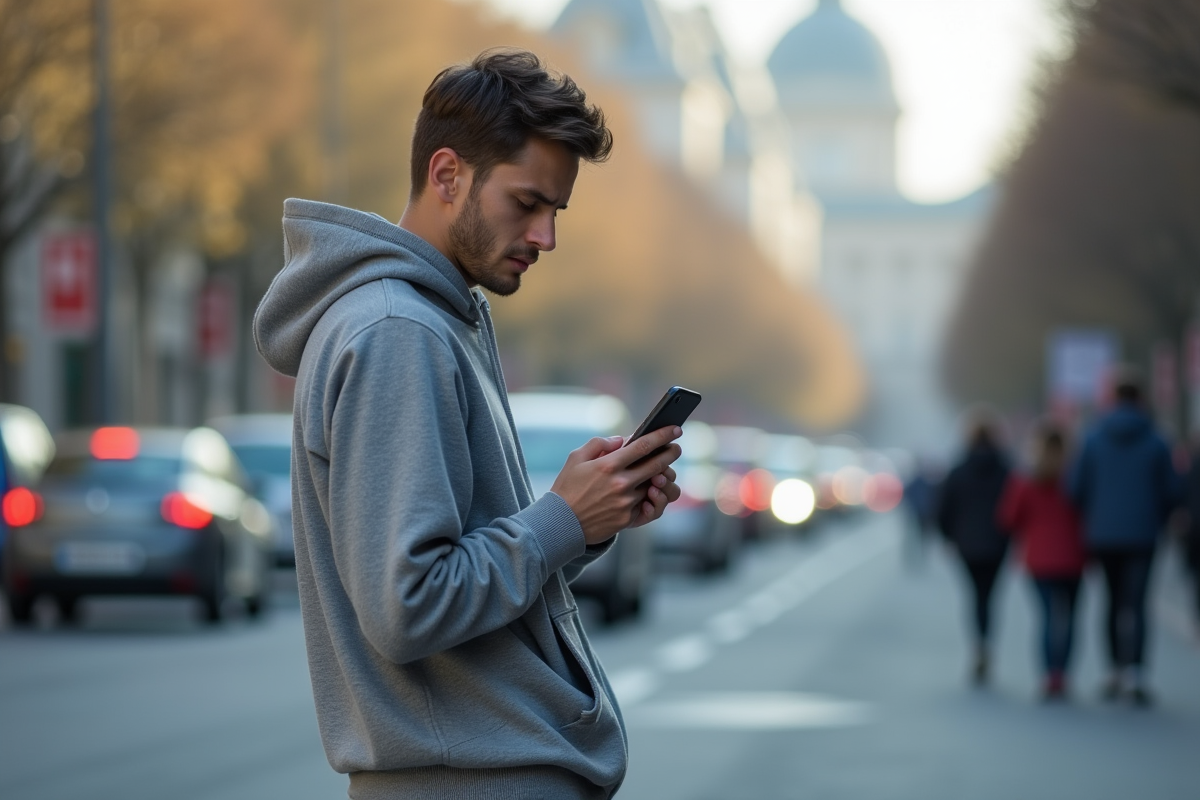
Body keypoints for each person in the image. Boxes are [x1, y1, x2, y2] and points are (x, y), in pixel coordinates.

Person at [254, 49, 683, 798]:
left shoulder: (438, 318)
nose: (545, 236)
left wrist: (585, 520)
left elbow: (460, 581)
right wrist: (558, 520)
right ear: (447, 175)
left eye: (555, 210)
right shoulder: (398, 331)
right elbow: (410, 603)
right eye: (526, 203)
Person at [1069, 371, 1179, 706]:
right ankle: (1137, 673)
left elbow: (1075, 488)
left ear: (1112, 398)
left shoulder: (1092, 438)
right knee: (1139, 603)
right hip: (1143, 532)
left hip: (1103, 533)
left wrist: (1096, 514)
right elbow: (1172, 489)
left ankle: (1114, 670)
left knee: (1112, 602)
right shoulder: (1158, 439)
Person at [998, 423, 1086, 700]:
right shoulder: (1075, 477)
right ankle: (1064, 673)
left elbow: (1008, 518)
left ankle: (1050, 674)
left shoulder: (1025, 479)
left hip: (1039, 558)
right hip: (1074, 556)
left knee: (1047, 617)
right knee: (1070, 617)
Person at [937, 413, 1011, 685]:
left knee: (974, 596)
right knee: (989, 596)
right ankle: (986, 643)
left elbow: (944, 508)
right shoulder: (1005, 469)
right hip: (997, 542)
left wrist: (948, 537)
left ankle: (978, 645)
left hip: (967, 544)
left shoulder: (959, 470)